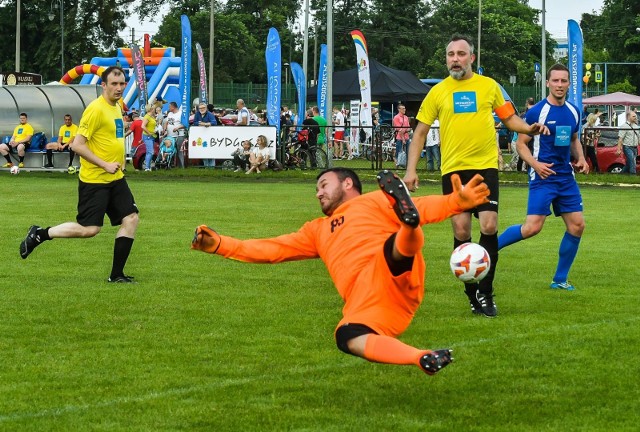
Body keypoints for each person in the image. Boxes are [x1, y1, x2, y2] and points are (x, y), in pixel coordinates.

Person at [191, 168, 490, 375]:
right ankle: (420, 357)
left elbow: (424, 205)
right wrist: (221, 244)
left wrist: (454, 202)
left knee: (395, 246)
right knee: (347, 335)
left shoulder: (372, 200)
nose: (318, 194)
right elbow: (272, 250)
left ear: (347, 184)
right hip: (368, 301)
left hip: (389, 265)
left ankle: (408, 227)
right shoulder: (316, 230)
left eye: (323, 185)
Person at [403, 34, 548, 317]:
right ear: (446, 59)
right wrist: (410, 170)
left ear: (472, 58)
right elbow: (419, 132)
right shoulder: (437, 92)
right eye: (450, 54)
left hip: (485, 168)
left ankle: (487, 293)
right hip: (454, 170)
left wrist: (528, 129)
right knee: (461, 232)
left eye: (461, 53)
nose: (455, 59)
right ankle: (472, 293)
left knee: (490, 227)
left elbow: (509, 119)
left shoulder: (489, 86)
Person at [19, 66, 140, 283]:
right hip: (95, 180)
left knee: (131, 218)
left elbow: (114, 137)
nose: (119, 88)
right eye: (114, 84)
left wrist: (120, 159)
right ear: (103, 85)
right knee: (89, 229)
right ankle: (40, 234)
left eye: (122, 83)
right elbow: (77, 145)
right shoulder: (95, 110)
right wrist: (104, 164)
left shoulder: (116, 106)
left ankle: (117, 275)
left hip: (115, 178)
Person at [497, 63, 588, 291]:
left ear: (568, 83)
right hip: (542, 177)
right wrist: (536, 165)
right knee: (532, 228)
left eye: (563, 81)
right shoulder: (537, 111)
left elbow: (574, 139)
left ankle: (559, 280)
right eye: (555, 81)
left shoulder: (574, 110)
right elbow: (520, 144)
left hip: (566, 177)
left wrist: (582, 159)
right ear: (547, 83)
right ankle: (490, 247)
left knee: (577, 226)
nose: (559, 85)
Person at [193, 103, 218, 168]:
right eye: (200, 108)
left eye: (203, 108)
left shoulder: (210, 114)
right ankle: (206, 167)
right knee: (203, 151)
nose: (202, 109)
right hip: (201, 136)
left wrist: (207, 124)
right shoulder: (197, 114)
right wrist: (200, 123)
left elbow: (214, 122)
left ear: (206, 108)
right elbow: (194, 122)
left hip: (210, 136)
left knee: (211, 151)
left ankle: (212, 167)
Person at [616, 110, 639, 174]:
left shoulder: (636, 126)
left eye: (636, 116)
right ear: (629, 117)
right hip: (627, 147)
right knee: (632, 162)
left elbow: (638, 137)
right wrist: (618, 149)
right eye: (634, 116)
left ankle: (621, 175)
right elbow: (620, 139)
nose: (635, 117)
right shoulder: (624, 126)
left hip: (635, 147)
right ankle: (633, 177)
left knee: (629, 163)